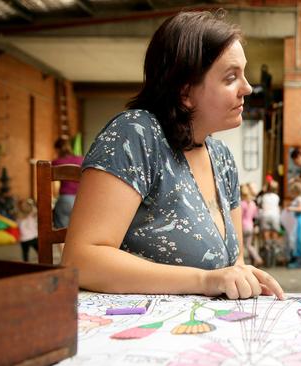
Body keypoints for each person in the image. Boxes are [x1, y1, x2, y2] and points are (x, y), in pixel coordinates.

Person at [61, 10, 284, 300]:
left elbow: (233, 262)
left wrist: (243, 277)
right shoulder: (137, 134)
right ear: (185, 91)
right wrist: (205, 281)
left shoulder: (222, 157)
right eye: (231, 78)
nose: (248, 88)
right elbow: (81, 260)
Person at [52, 137, 84, 229]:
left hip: (65, 199)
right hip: (80, 199)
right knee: (78, 230)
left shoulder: (56, 162)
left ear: (57, 149)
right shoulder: (81, 160)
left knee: (61, 232)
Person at [257, 179, 282, 266]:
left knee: (266, 233)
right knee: (274, 233)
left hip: (265, 215)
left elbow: (259, 202)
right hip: (275, 216)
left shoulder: (264, 196)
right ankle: (274, 251)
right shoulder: (276, 197)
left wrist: (262, 191)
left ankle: (267, 249)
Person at [286, 181, 301, 269]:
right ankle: (297, 260)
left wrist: (291, 208)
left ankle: (299, 262)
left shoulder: (299, 199)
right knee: (297, 241)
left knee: (299, 241)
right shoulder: (299, 198)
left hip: (299, 222)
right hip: (298, 222)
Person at [240, 183, 263, 267]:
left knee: (241, 245)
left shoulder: (242, 204)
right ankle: (257, 258)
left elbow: (240, 216)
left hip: (243, 226)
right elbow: (255, 216)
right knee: (249, 245)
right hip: (250, 226)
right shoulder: (253, 203)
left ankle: (246, 261)